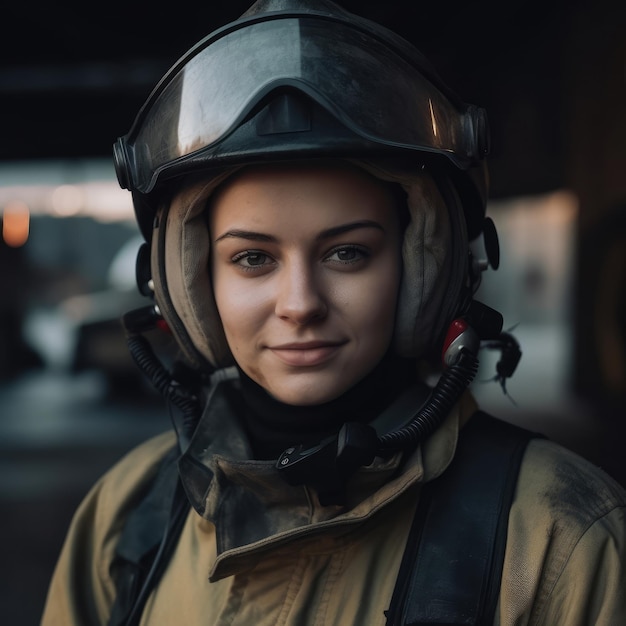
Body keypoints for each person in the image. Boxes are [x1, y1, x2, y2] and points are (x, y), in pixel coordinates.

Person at [41, 1, 626, 625]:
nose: (300, 305)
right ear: (186, 283)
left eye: (348, 253)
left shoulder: (562, 540)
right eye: (253, 259)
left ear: (425, 270)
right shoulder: (126, 517)